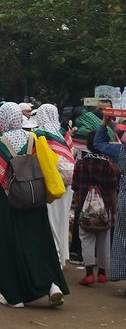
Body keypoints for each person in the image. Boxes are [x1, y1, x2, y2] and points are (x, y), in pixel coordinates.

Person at [0, 102, 68, 308]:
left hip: (10, 203)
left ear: (4, 119)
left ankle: (14, 295)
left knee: (13, 247)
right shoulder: (33, 138)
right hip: (35, 199)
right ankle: (52, 285)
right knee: (40, 243)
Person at [73, 126, 119, 285]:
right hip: (105, 207)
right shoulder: (109, 164)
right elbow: (113, 188)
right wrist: (114, 209)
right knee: (104, 238)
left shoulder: (80, 163)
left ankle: (88, 273)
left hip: (84, 207)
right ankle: (102, 273)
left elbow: (75, 186)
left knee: (86, 238)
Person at [35, 104, 75, 268]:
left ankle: (53, 256)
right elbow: (71, 154)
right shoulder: (64, 132)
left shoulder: (39, 134)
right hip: (68, 183)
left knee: (50, 219)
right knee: (62, 220)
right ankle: (61, 257)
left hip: (49, 183)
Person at [91, 120, 126, 284]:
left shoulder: (121, 151)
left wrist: (104, 124)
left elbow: (98, 143)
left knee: (122, 237)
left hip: (124, 198)